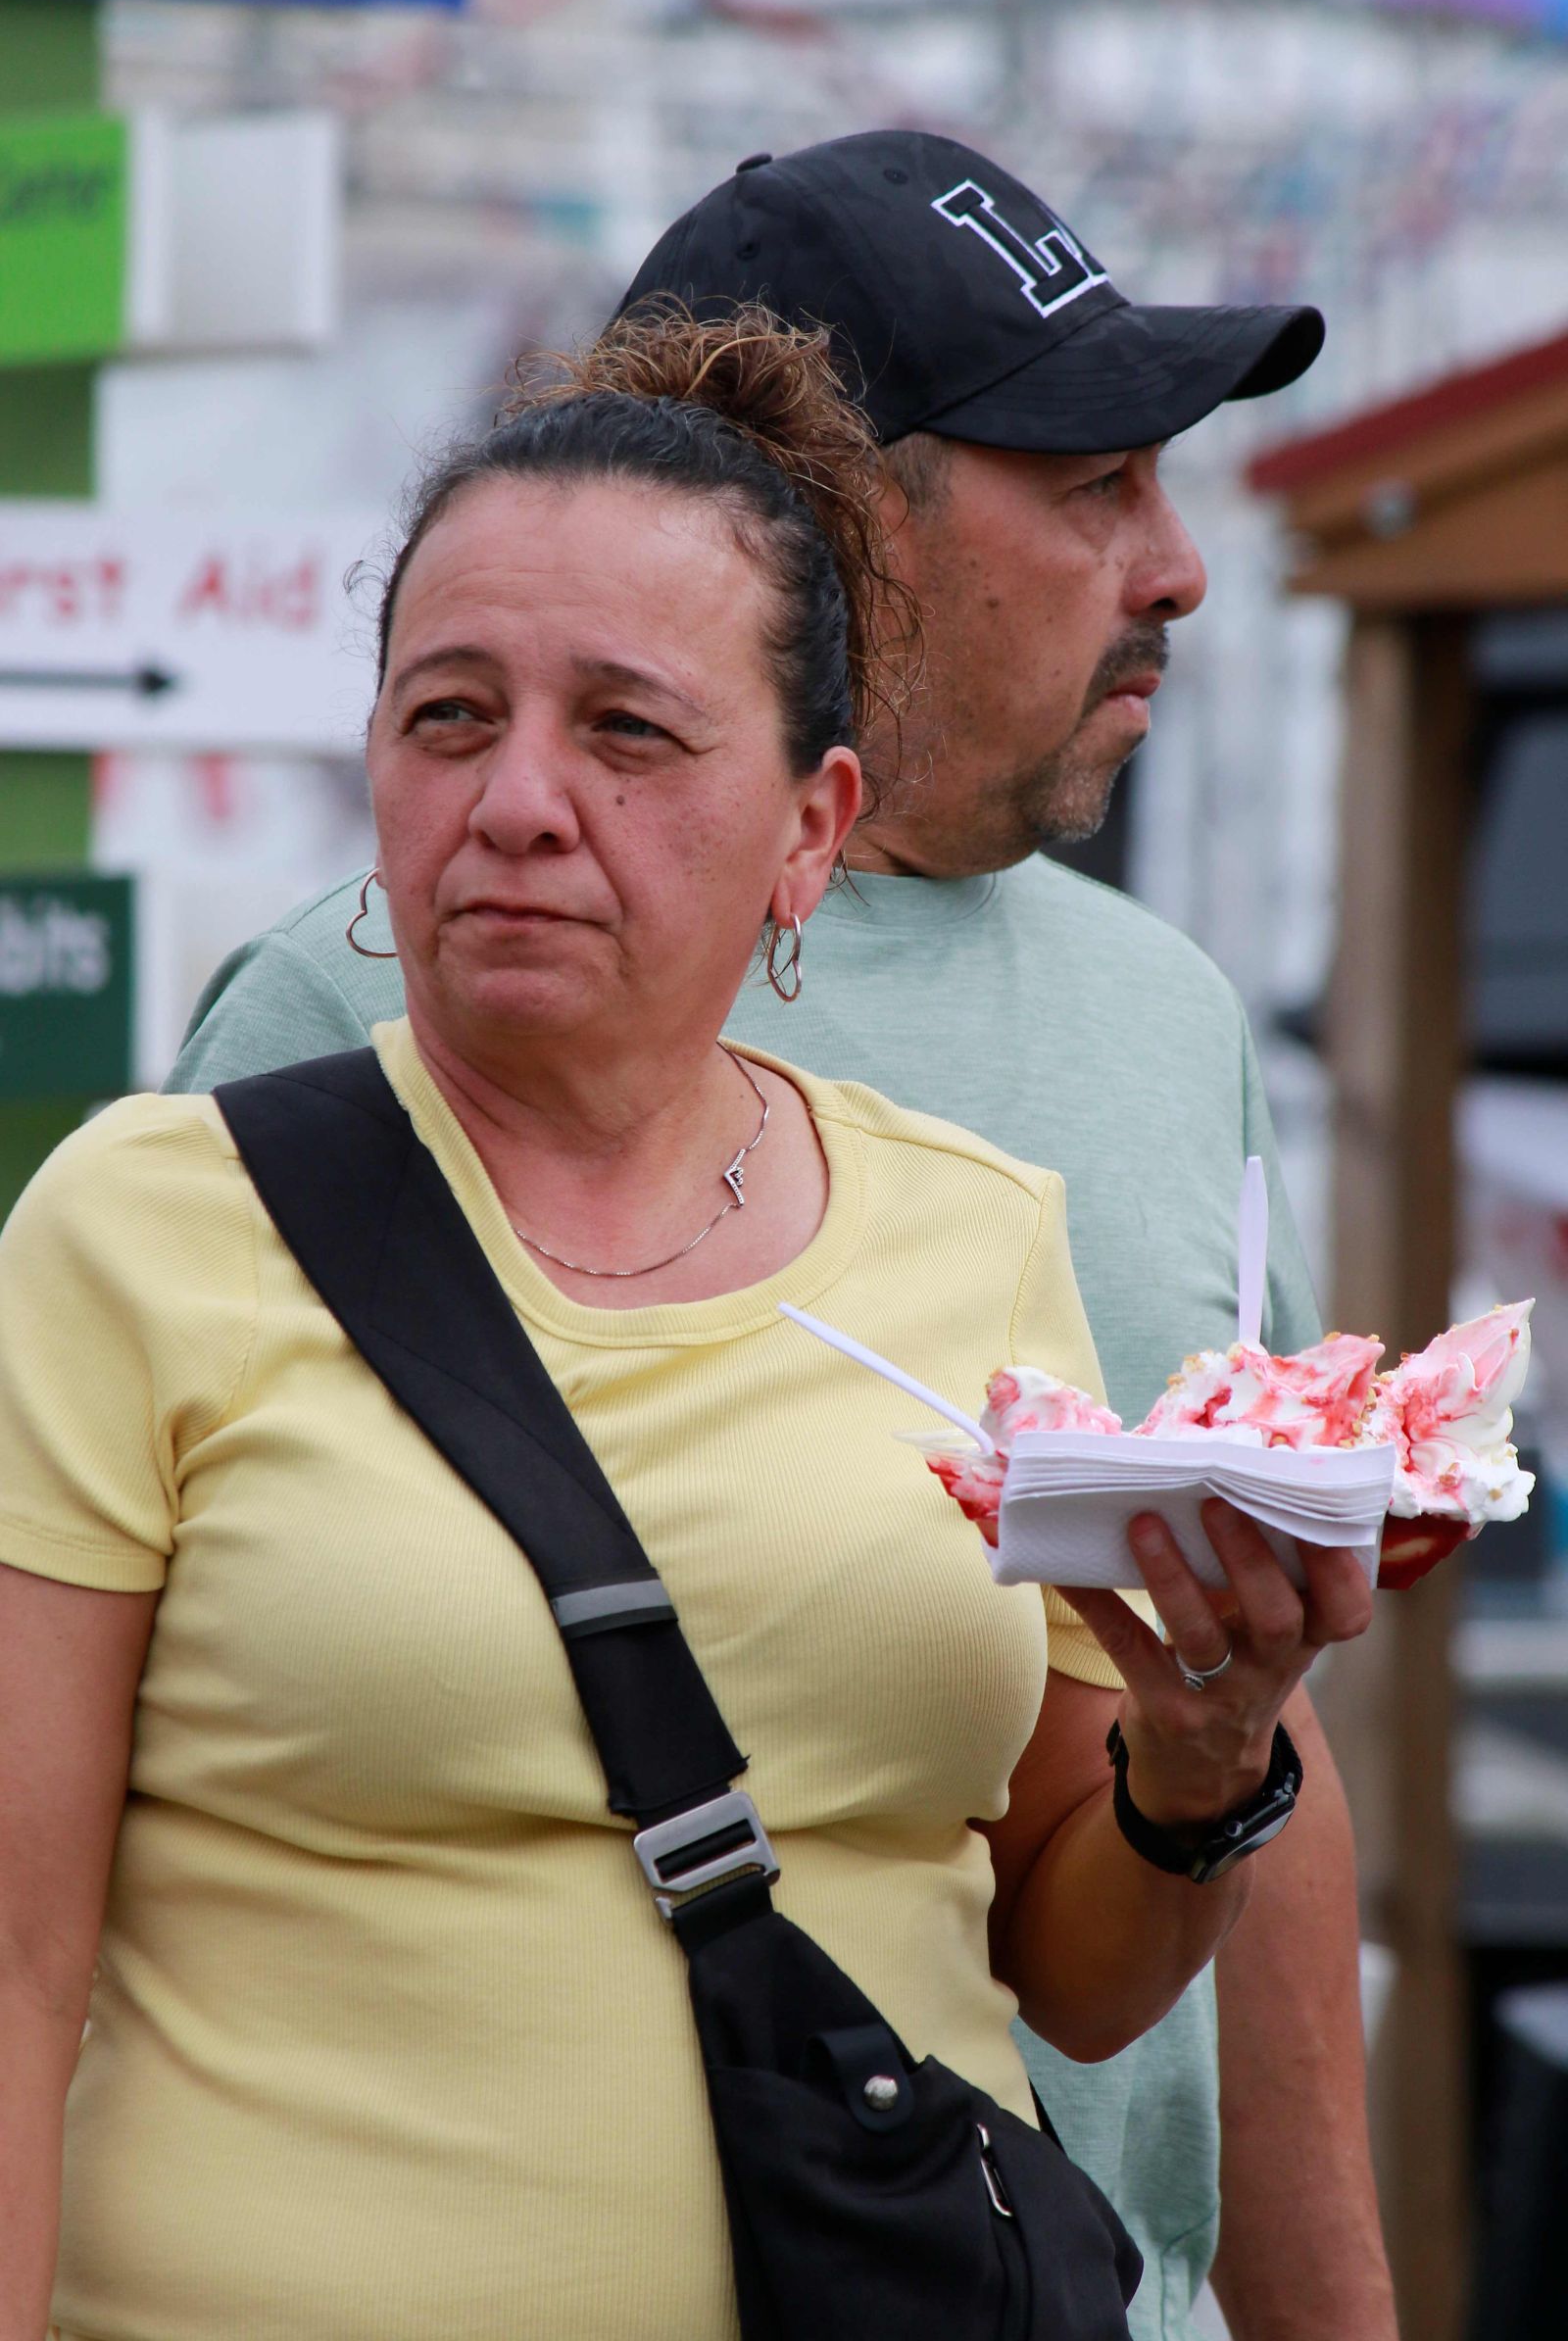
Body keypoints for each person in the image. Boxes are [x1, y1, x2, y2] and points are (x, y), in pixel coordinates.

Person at [0, 309, 1371, 2341]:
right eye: (448, 716)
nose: (520, 799)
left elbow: (1069, 1967)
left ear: (810, 827)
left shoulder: (975, 1237)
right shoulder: (143, 1228)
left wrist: (1199, 1757)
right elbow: (15, 1967)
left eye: (626, 731)